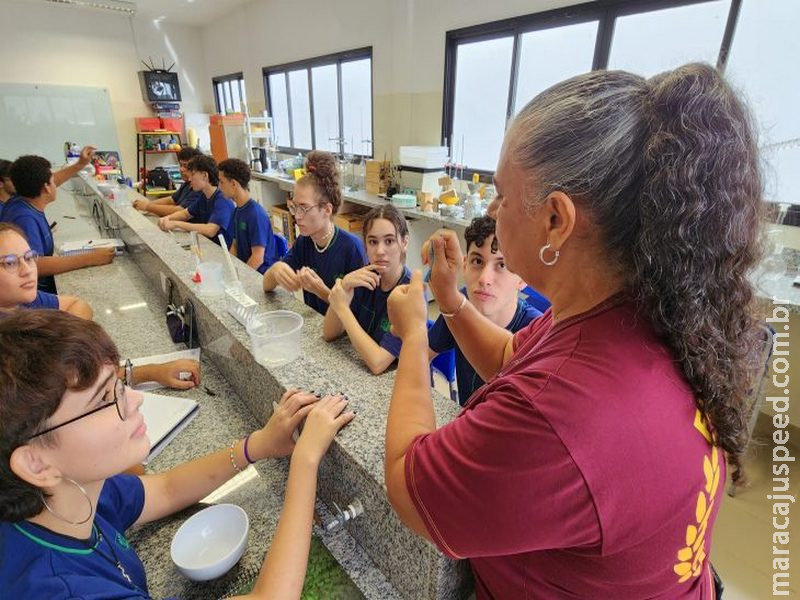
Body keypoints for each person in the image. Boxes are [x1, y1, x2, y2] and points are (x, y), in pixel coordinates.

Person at [384, 63, 763, 598]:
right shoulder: (631, 311)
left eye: (503, 195)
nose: (493, 211)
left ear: (556, 221)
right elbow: (513, 356)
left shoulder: (559, 411)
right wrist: (448, 302)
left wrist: (413, 339)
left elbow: (407, 486)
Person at [0, 310, 354, 599]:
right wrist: (305, 461)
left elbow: (165, 489)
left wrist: (258, 445)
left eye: (119, 384)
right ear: (36, 463)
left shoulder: (63, 498)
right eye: (106, 399)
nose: (134, 398)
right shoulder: (59, 590)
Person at [0, 223, 200, 390]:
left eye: (29, 257)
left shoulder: (22, 299)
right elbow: (70, 388)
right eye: (9, 263)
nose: (27, 271)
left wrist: (60, 346)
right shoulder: (8, 344)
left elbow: (79, 304)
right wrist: (150, 373)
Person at [426, 215, 541, 404]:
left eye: (502, 265)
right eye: (477, 261)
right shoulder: (458, 309)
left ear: (523, 278)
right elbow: (421, 357)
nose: (484, 279)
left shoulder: (534, 333)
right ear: (464, 264)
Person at [263, 151, 367, 315]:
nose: (297, 216)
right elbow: (266, 285)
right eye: (294, 207)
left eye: (304, 208)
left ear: (326, 209)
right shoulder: (305, 241)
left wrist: (321, 290)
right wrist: (275, 270)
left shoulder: (352, 248)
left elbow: (358, 314)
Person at [1, 155, 115, 294]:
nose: (56, 184)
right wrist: (90, 257)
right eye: (52, 182)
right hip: (32, 293)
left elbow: (47, 180)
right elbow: (35, 264)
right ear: (46, 188)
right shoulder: (25, 219)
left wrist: (79, 164)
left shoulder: (20, 199)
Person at [323, 205, 410, 374]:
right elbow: (329, 334)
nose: (379, 251)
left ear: (404, 242)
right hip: (360, 373)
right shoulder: (363, 277)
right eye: (372, 242)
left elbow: (378, 363)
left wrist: (342, 308)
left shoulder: (411, 294)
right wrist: (345, 285)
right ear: (365, 246)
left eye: (389, 241)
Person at [219, 158, 285, 274]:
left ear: (233, 184)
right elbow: (234, 245)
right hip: (247, 269)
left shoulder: (256, 215)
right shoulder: (237, 211)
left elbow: (257, 259)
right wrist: (230, 269)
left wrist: (241, 279)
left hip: (261, 275)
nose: (220, 187)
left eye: (222, 182)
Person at [157, 154, 235, 247]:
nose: (189, 179)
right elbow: (186, 214)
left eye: (193, 174)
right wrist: (167, 218)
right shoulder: (203, 196)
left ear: (205, 176)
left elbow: (210, 230)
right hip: (208, 245)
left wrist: (176, 224)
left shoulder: (222, 199)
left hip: (224, 252)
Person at [133, 147, 204, 217]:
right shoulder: (187, 184)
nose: (181, 169)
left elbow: (180, 211)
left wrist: (147, 207)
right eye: (180, 165)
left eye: (185, 166)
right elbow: (172, 200)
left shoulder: (198, 189)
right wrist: (148, 204)